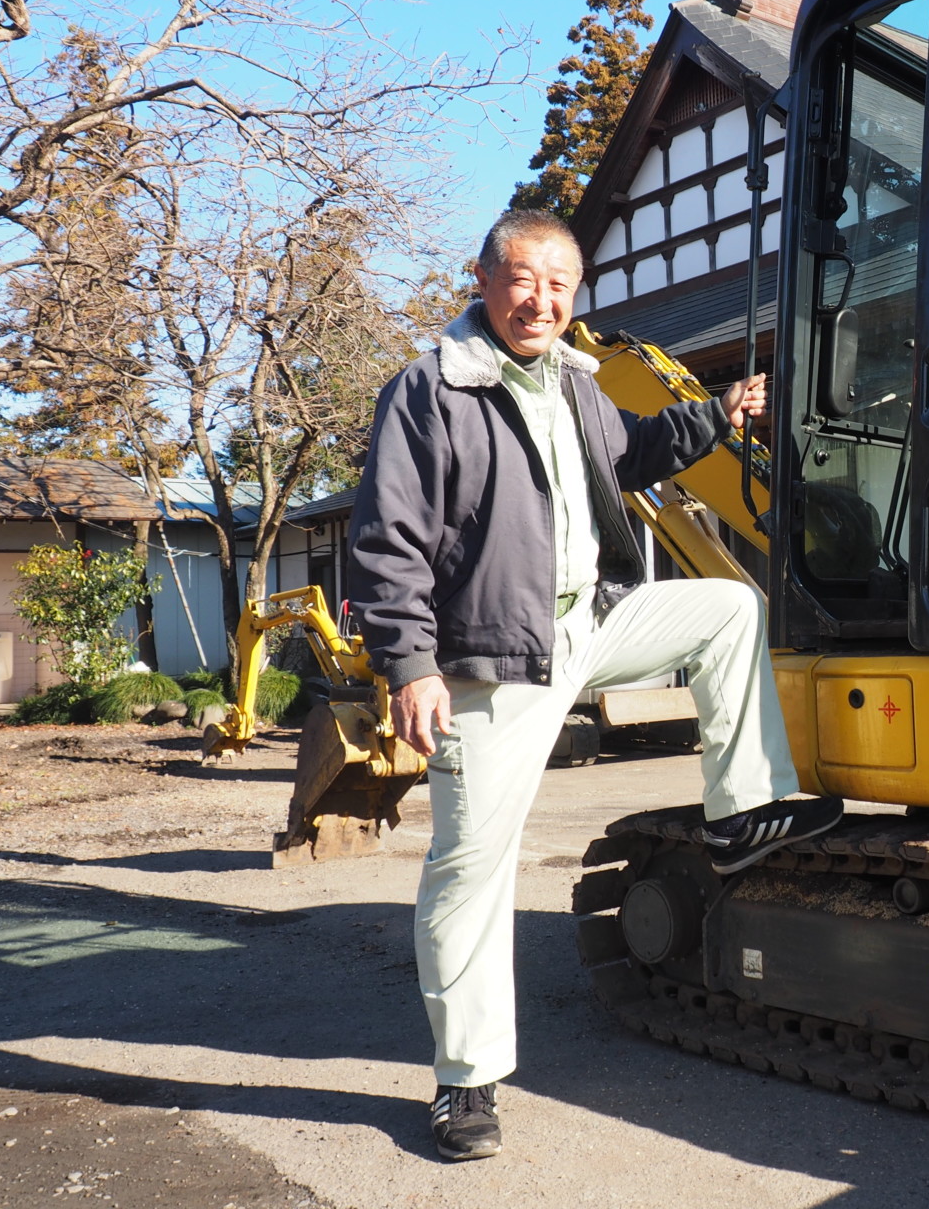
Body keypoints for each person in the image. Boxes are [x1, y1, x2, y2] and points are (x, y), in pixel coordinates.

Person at [345, 207, 842, 1162]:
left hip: (586, 620)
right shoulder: (431, 391)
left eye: (561, 285)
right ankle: (466, 1081)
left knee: (726, 612)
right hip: (490, 655)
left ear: (577, 297)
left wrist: (717, 412)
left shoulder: (574, 379)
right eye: (524, 280)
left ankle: (740, 814)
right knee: (469, 868)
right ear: (484, 281)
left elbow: (629, 460)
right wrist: (406, 665)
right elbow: (386, 544)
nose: (542, 300)